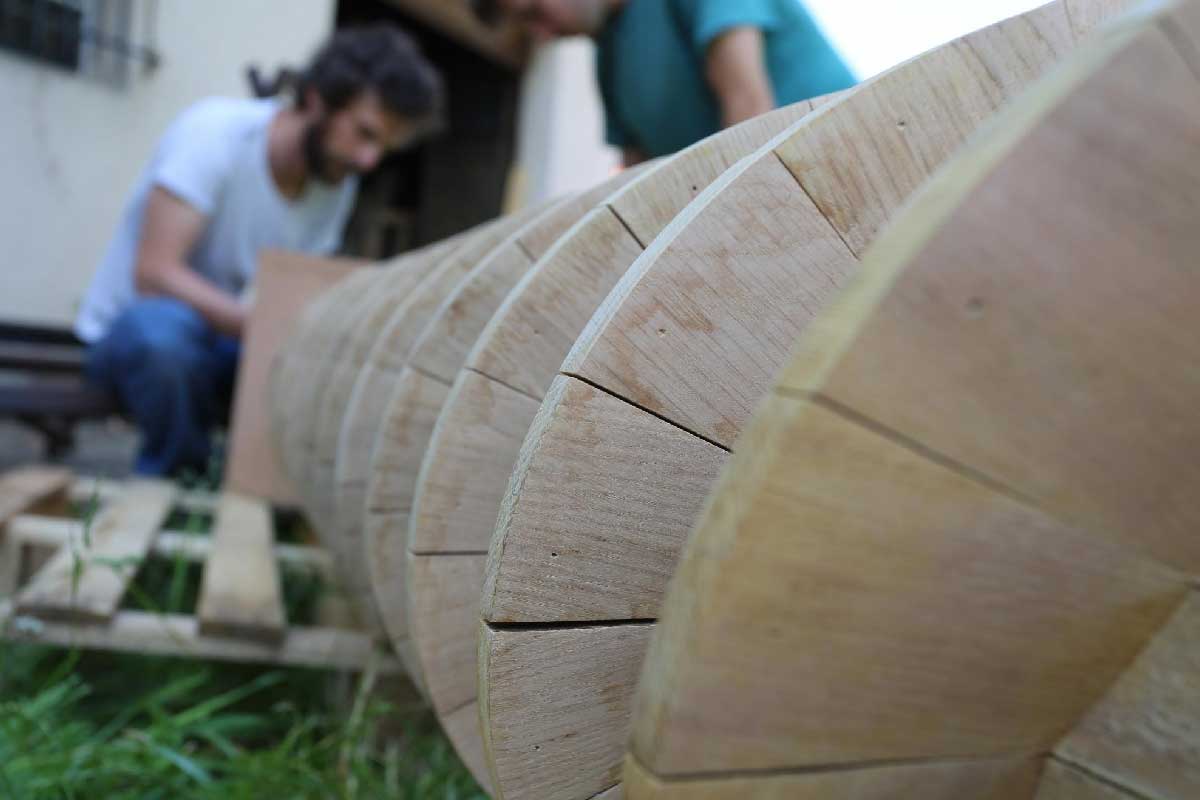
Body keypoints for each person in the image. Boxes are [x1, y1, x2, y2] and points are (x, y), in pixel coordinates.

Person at [75, 25, 442, 477]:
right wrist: (263, 324)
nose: (369, 161)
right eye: (365, 133)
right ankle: (171, 481)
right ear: (317, 98)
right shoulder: (213, 134)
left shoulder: (334, 185)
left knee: (317, 364)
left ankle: (264, 491)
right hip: (130, 334)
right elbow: (153, 274)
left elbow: (293, 293)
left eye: (383, 146)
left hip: (223, 341)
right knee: (166, 338)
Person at [470, 0, 855, 164]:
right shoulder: (607, 50)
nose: (541, 33)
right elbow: (638, 167)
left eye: (535, 10)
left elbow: (750, 110)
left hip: (844, 164)